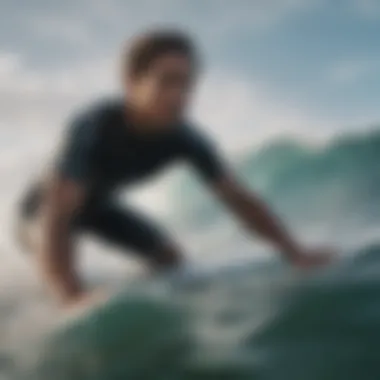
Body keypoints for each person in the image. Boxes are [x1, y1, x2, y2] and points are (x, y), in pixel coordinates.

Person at [16, 29, 332, 309]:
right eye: (166, 81)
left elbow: (239, 200)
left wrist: (294, 253)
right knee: (64, 282)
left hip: (97, 208)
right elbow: (57, 214)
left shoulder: (186, 139)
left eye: (187, 84)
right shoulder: (94, 126)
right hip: (39, 211)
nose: (179, 96)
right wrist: (73, 297)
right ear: (131, 83)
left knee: (172, 260)